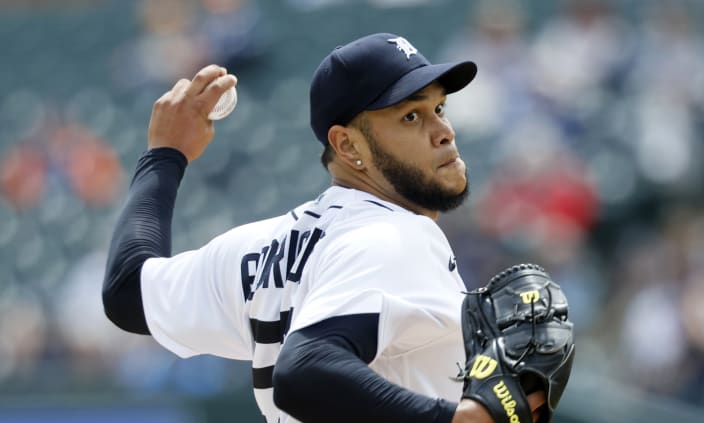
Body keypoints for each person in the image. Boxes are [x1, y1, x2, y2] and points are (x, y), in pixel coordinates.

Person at [102, 33, 547, 422]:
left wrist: (164, 156)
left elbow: (127, 293)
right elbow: (304, 370)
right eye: (411, 116)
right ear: (347, 144)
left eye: (439, 107)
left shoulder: (260, 246)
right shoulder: (396, 237)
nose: (443, 131)